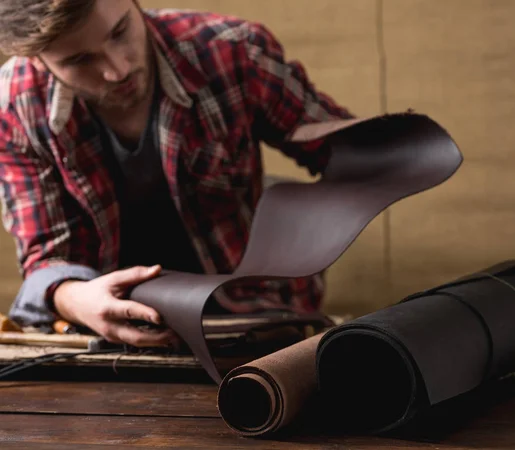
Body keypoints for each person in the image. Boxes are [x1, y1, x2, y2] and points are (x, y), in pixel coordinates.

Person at [0, 0, 353, 348]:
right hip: (116, 339)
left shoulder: (233, 52)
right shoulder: (16, 104)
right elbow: (47, 257)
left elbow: (357, 156)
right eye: (79, 60)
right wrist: (75, 298)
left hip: (257, 317)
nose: (116, 69)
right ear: (35, 58)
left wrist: (305, 233)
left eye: (120, 31)